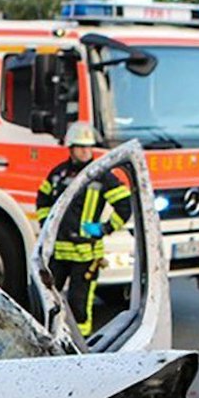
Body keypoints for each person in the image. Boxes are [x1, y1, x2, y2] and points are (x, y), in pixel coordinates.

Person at [36, 121, 132, 336]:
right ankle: (49, 338)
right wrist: (47, 225)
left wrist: (104, 229)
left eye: (89, 147)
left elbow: (125, 205)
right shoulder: (58, 174)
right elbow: (42, 199)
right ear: (70, 147)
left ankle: (82, 343)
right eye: (81, 147)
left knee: (79, 305)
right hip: (59, 251)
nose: (86, 151)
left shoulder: (101, 175)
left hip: (86, 254)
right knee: (47, 297)